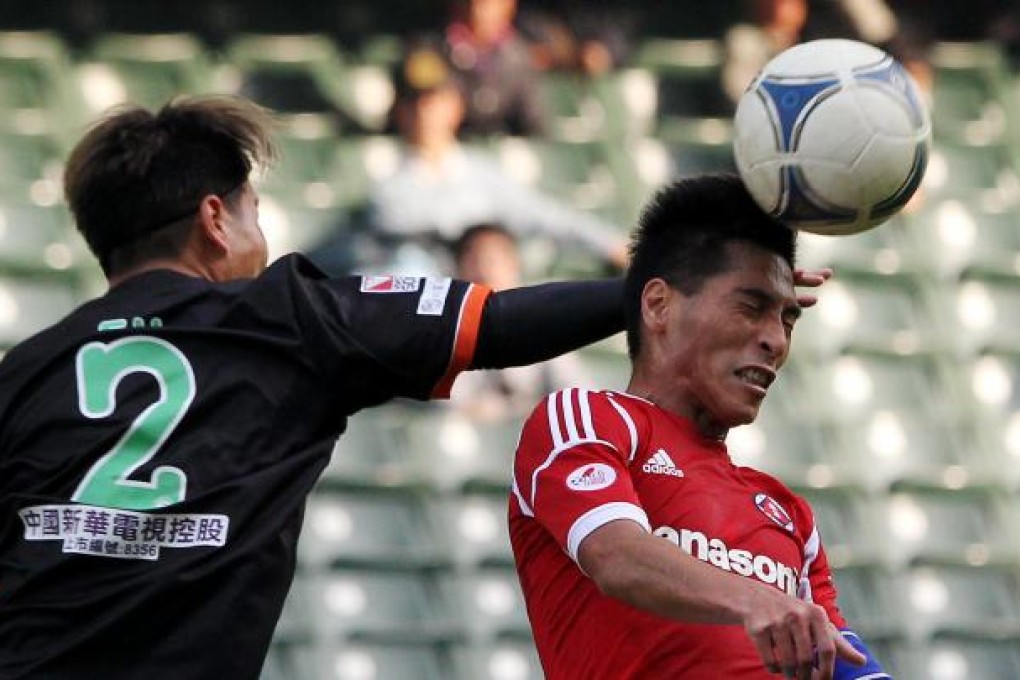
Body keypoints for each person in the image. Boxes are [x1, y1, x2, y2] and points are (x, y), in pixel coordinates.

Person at [0, 96, 630, 679]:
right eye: (252, 209)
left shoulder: (24, 371)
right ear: (215, 219)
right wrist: (658, 290)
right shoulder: (283, 320)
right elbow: (498, 324)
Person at [510, 175, 889, 679]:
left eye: (788, 319)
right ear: (659, 305)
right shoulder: (587, 421)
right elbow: (616, 556)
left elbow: (840, 657)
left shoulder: (788, 514)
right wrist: (752, 597)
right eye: (751, 307)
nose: (775, 340)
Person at [368, 43, 627, 270]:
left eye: (433, 100)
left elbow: (545, 216)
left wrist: (608, 243)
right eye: (413, 102)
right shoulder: (380, 171)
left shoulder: (479, 173)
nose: (424, 112)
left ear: (455, 106)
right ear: (399, 110)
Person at [448, 223, 592, 421]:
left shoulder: (544, 322)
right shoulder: (447, 330)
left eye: (494, 260)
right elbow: (451, 405)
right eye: (473, 260)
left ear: (514, 266)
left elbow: (576, 395)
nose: (484, 271)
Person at [444, 0, 547, 136]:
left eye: (488, 4)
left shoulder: (519, 57)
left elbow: (535, 121)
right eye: (474, 3)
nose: (478, 11)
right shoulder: (441, 50)